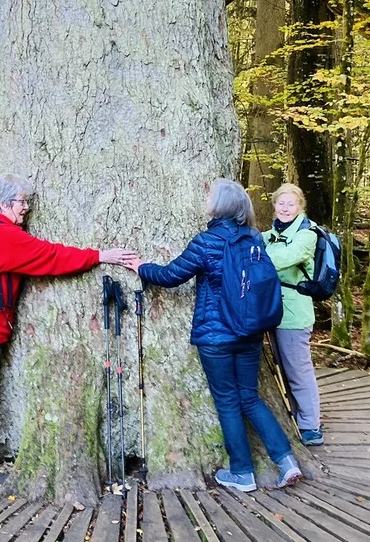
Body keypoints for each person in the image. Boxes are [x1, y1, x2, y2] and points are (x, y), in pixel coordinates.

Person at [0, 173, 135, 489]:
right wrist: (100, 256)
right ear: (4, 204)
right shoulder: (5, 235)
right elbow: (52, 257)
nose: (26, 207)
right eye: (21, 202)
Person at [121, 178, 302, 493]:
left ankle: (242, 473)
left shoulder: (207, 241)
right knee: (250, 397)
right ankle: (287, 462)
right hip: (250, 332)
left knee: (228, 402)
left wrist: (141, 267)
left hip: (216, 337)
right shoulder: (254, 238)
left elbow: (170, 275)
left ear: (219, 206)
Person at [262, 183, 323, 446]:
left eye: (291, 204)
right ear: (274, 205)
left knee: (298, 371)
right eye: (281, 203)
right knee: (283, 370)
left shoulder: (307, 234)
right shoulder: (270, 235)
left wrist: (256, 258)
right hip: (271, 310)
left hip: (294, 313)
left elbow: (287, 257)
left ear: (300, 207)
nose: (285, 209)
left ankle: (311, 426)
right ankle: (297, 417)